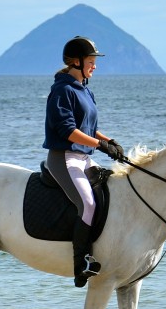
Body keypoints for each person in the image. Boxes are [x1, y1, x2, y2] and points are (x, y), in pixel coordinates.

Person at [44, 36, 125, 288]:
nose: (94, 66)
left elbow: (90, 128)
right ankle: (81, 264)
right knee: (88, 204)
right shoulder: (62, 90)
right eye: (91, 61)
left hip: (82, 157)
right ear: (76, 62)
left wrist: (110, 140)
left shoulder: (85, 89)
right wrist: (100, 145)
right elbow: (68, 131)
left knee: (110, 191)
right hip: (64, 159)